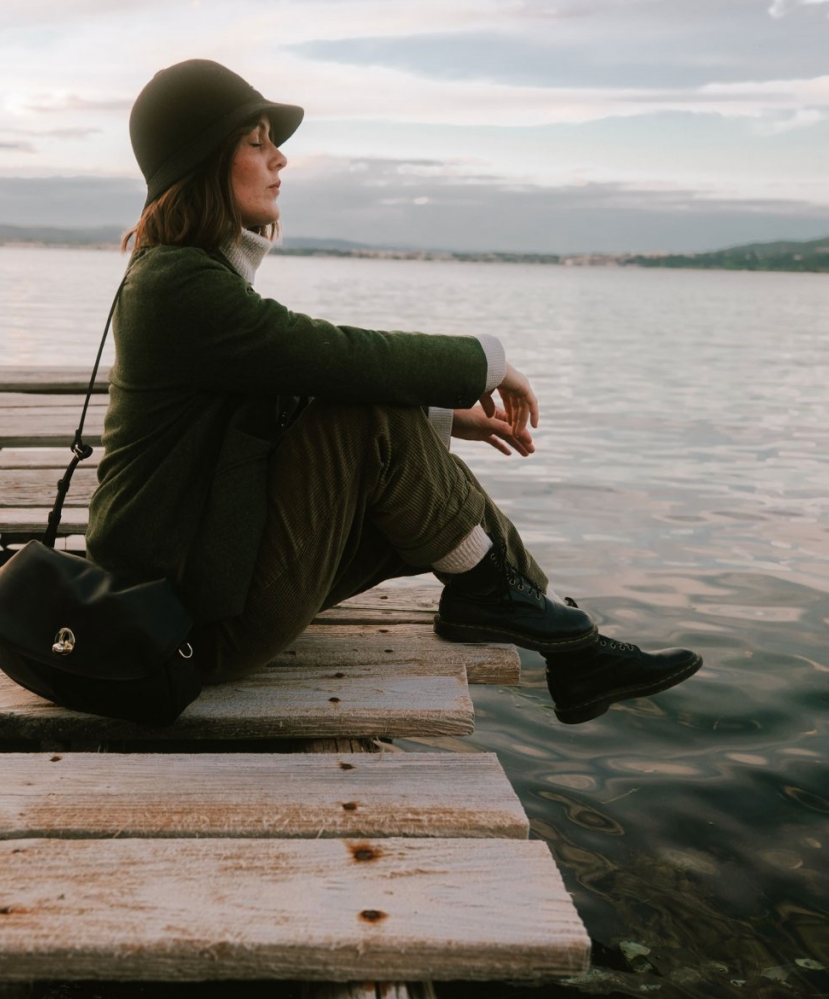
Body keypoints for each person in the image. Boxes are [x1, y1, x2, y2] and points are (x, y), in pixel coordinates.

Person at [85, 59, 702, 725]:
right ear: (203, 160)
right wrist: (487, 365)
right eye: (257, 142)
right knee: (369, 413)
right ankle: (550, 631)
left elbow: (290, 392)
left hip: (206, 581)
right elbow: (332, 358)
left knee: (396, 441)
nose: (280, 158)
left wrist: (444, 418)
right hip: (179, 628)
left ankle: (565, 641)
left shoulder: (189, 276)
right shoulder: (177, 285)